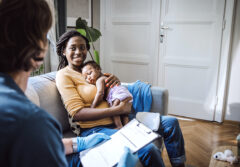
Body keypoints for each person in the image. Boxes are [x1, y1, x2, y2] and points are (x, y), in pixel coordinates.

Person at [0, 0, 138, 167]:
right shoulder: (33, 123)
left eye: (82, 47)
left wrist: (77, 144)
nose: (78, 52)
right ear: (40, 50)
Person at [56, 29, 186, 167]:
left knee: (170, 123)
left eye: (82, 48)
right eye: (73, 48)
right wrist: (119, 109)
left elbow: (109, 90)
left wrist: (114, 81)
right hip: (97, 129)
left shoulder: (89, 69)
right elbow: (78, 114)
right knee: (147, 149)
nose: (78, 52)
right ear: (64, 51)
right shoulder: (64, 75)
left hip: (122, 118)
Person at [82, 60, 132, 129]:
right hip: (125, 93)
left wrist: (92, 106)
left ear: (98, 69)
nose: (88, 78)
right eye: (85, 78)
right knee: (124, 115)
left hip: (117, 94)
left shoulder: (99, 80)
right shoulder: (105, 78)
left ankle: (119, 126)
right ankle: (127, 126)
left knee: (114, 110)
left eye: (89, 73)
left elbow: (100, 93)